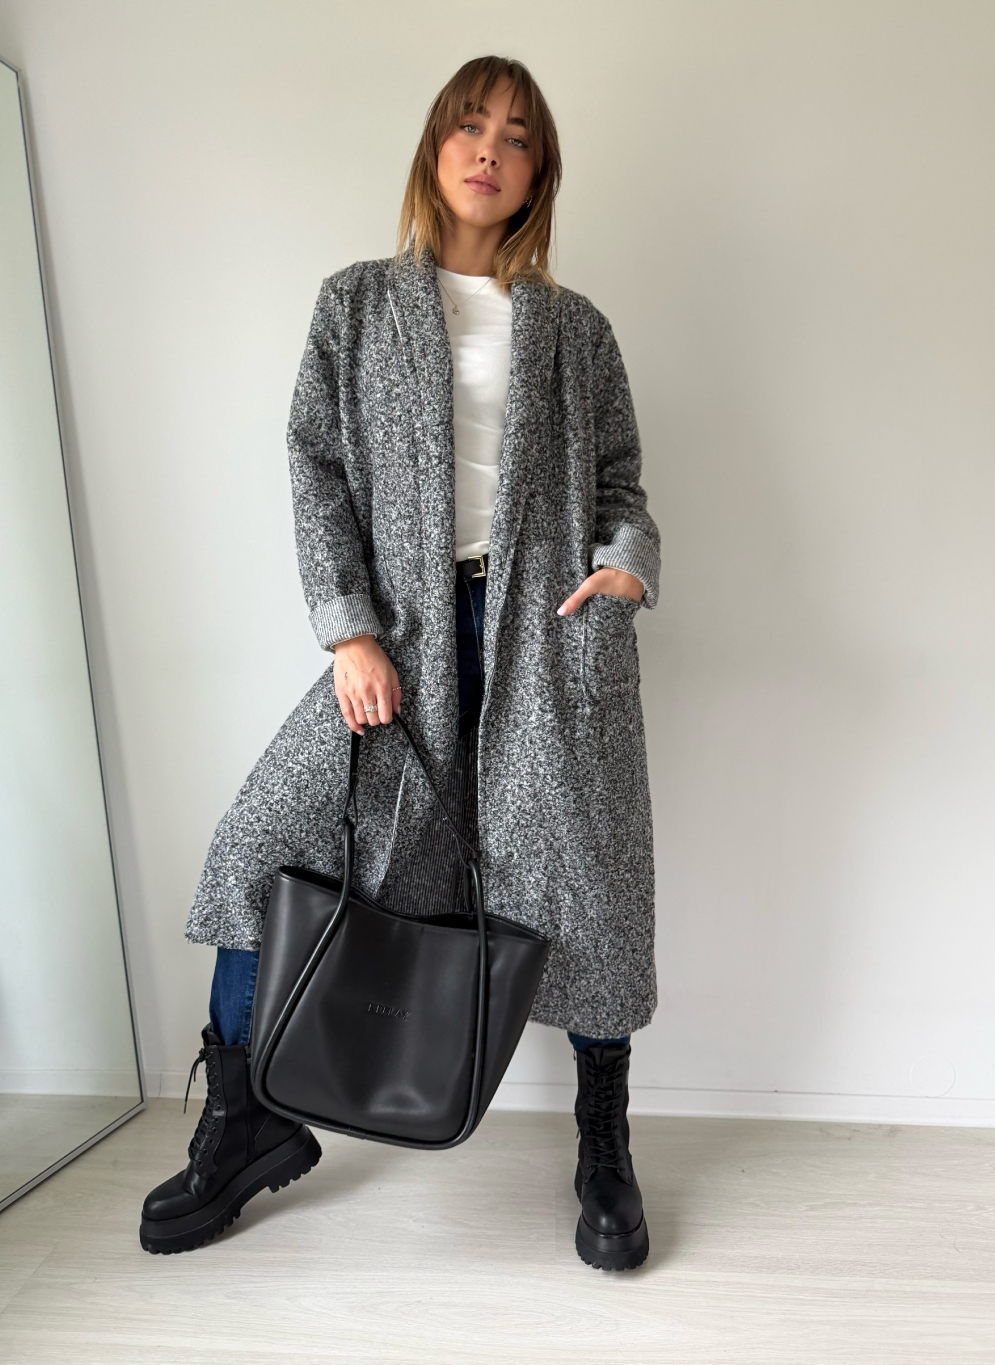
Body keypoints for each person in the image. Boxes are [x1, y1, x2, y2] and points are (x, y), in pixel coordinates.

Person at [140, 55, 660, 1272]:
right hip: (403, 642)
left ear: (537, 174)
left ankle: (603, 1144)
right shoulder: (356, 304)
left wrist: (625, 569)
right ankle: (245, 1122)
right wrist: (350, 631)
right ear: (434, 148)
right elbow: (315, 465)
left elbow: (620, 483)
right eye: (470, 126)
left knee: (586, 897)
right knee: (262, 850)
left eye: (517, 136)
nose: (490, 149)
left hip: (547, 643)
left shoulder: (575, 330)